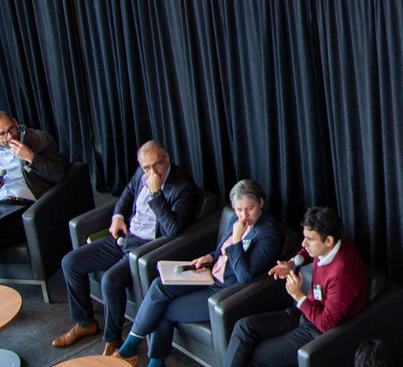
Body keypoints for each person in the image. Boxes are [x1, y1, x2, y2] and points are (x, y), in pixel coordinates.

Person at [113, 179, 283, 367]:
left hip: (224, 288)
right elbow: (221, 251)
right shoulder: (236, 219)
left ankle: (151, 360)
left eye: (249, 208)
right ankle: (133, 344)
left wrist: (236, 240)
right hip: (210, 273)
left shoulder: (268, 234)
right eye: (238, 209)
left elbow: (244, 275)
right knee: (159, 286)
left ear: (260, 202)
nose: (243, 215)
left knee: (165, 309)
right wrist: (210, 257)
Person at [53, 140, 201, 355]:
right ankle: (85, 323)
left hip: (147, 248)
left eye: (157, 165)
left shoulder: (183, 186)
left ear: (167, 158)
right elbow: (127, 193)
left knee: (110, 280)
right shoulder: (139, 174)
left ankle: (113, 340)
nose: (152, 172)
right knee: (70, 262)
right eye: (146, 167)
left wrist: (156, 193)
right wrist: (118, 216)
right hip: (126, 236)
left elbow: (172, 229)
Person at [223, 206, 369, 367]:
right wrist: (292, 263)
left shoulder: (343, 274)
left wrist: (298, 296)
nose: (303, 243)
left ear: (328, 241)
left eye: (309, 239)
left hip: (317, 331)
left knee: (257, 356)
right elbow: (307, 251)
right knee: (243, 328)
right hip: (306, 313)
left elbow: (327, 324)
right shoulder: (330, 244)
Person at [0, 111, 66, 285]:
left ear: (16, 123)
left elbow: (58, 174)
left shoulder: (39, 140)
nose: (9, 136)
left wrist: (31, 157)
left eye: (11, 129)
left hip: (27, 207)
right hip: (0, 205)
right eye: (2, 134)